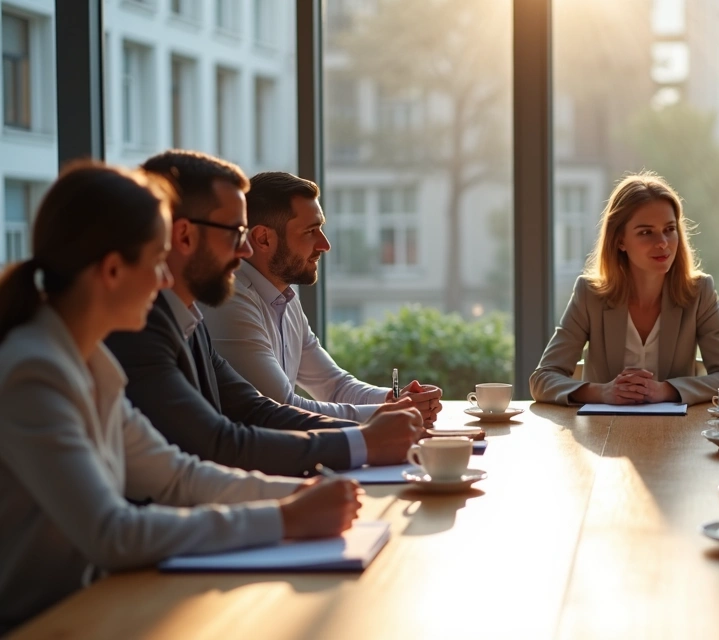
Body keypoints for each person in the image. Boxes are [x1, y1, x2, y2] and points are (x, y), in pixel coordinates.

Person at [0, 162, 362, 633]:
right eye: (156, 261)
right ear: (111, 270)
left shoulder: (89, 364)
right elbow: (113, 533)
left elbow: (175, 475)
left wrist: (300, 494)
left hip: (94, 611)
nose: (165, 280)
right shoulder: (35, 371)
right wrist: (283, 518)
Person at [105, 151, 424, 477]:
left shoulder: (190, 320)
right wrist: (364, 439)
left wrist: (372, 429)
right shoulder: (142, 330)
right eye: (235, 232)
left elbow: (258, 410)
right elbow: (218, 443)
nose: (245, 251)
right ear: (184, 235)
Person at [199, 171, 442, 424]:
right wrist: (388, 414)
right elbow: (282, 408)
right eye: (310, 231)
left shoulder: (283, 296)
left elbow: (335, 386)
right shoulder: (229, 299)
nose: (324, 244)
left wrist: (397, 401)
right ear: (263, 238)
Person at [530, 171, 719, 405]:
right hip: (604, 434)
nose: (662, 242)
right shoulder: (590, 295)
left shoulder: (699, 292)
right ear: (620, 240)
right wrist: (602, 393)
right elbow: (542, 379)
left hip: (677, 435)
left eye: (669, 229)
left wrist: (665, 390)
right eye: (646, 232)